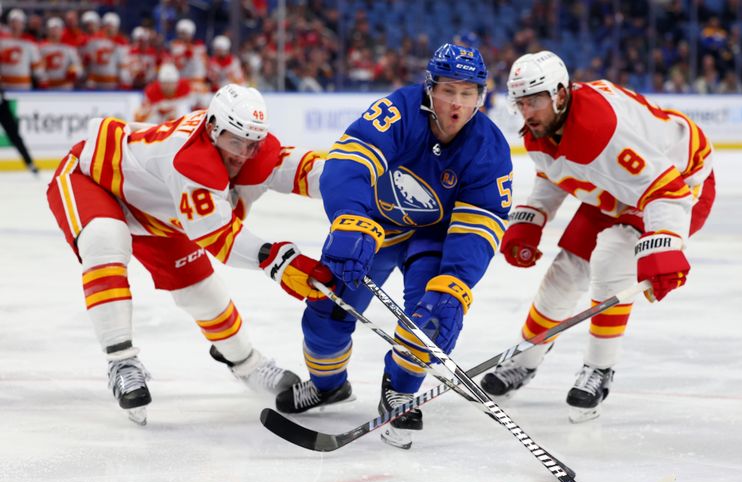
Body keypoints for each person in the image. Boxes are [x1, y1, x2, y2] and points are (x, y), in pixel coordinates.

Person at [45, 84, 331, 425]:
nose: (241, 155)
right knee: (106, 239)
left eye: (250, 144)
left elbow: (307, 170)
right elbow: (220, 237)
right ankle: (122, 362)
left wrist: (364, 182)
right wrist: (277, 259)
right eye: (233, 141)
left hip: (160, 211)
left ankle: (248, 364)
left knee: (201, 292)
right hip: (93, 179)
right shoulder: (188, 160)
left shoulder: (251, 151)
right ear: (212, 129)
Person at [275, 43, 513, 449]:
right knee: (325, 311)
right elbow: (346, 163)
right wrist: (350, 218)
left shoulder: (489, 149)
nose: (457, 104)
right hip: (377, 227)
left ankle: (400, 389)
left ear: (482, 96)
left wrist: (455, 284)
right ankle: (328, 385)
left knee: (431, 318)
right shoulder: (398, 111)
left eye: (468, 93)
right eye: (448, 90)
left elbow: (478, 227)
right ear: (429, 88)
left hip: (434, 237)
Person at [480, 51, 715, 423]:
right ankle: (524, 361)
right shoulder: (544, 127)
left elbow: (665, 189)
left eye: (535, 101)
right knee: (564, 273)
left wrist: (665, 244)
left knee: (610, 260)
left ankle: (599, 370)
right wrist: (532, 219)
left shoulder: (600, 131)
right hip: (623, 188)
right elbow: (557, 172)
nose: (528, 112)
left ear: (559, 94)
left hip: (683, 182)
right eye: (521, 103)